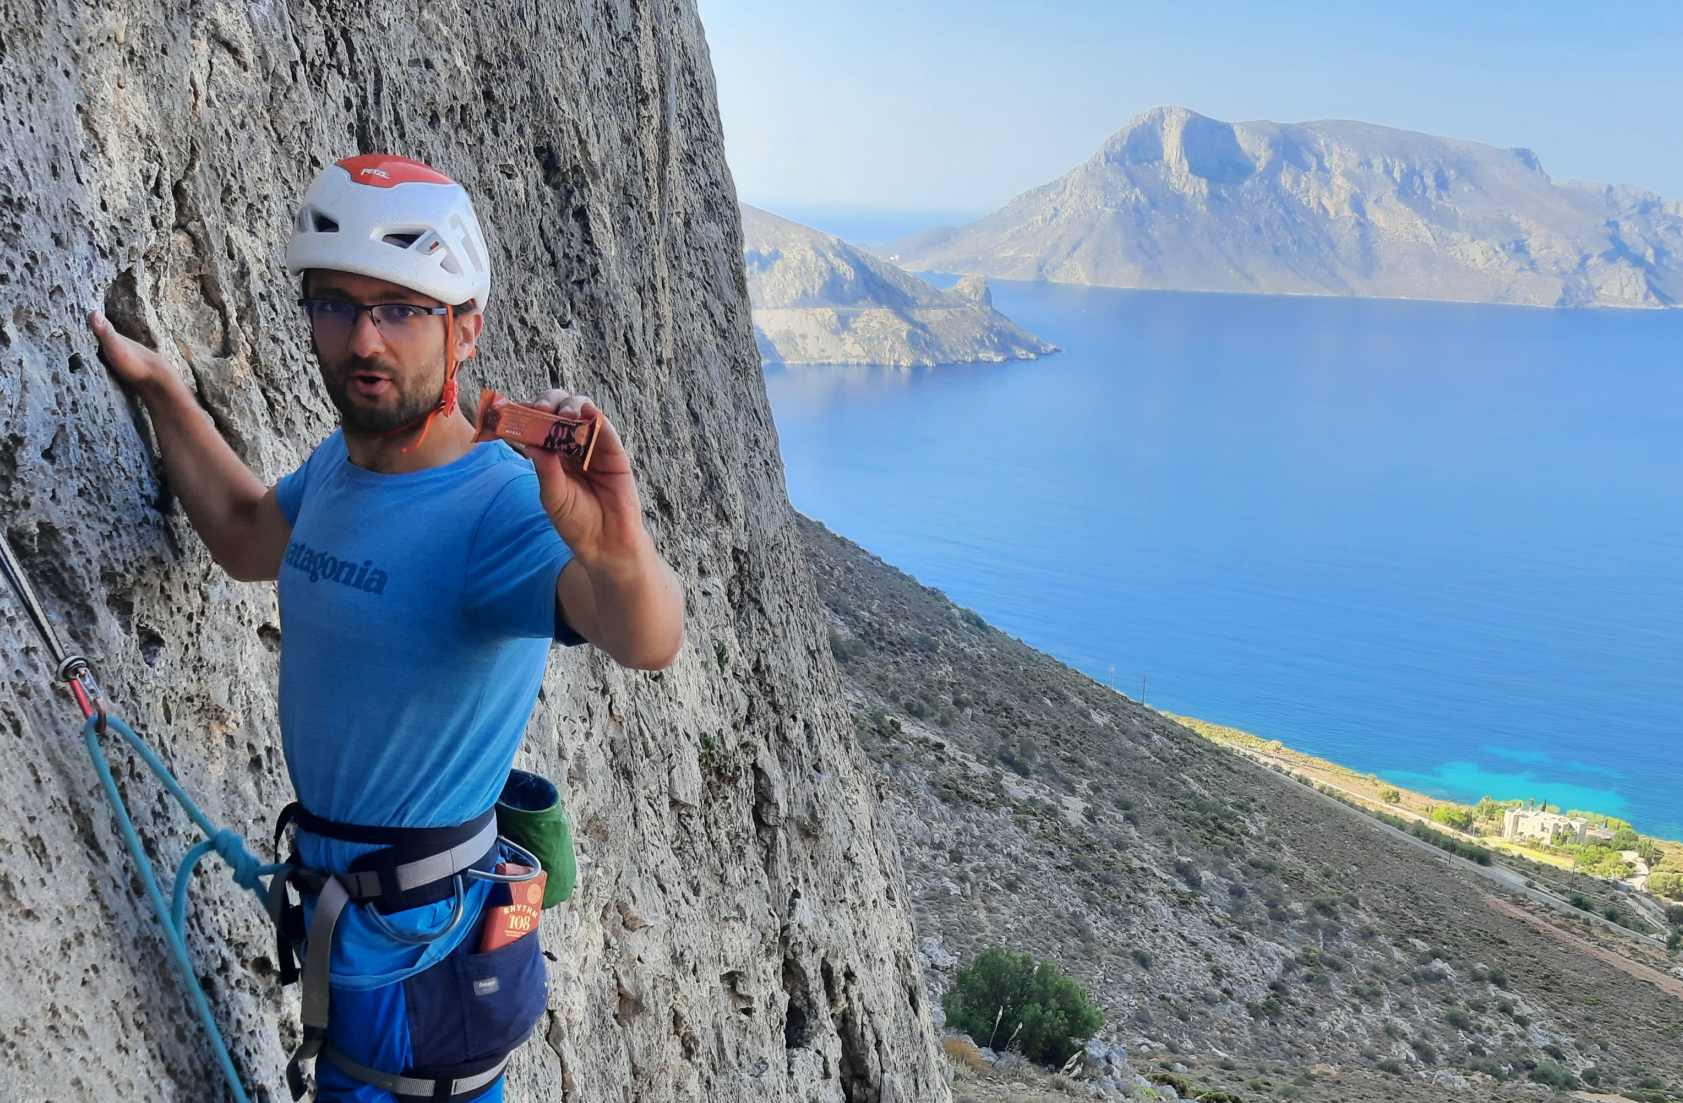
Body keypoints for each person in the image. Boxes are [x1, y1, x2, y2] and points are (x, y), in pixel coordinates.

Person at [89, 154, 683, 1102]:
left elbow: (645, 637)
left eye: (402, 309)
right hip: (360, 926)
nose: (365, 338)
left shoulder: (498, 508)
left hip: (419, 949)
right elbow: (248, 536)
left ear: (465, 330)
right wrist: (162, 390)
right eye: (338, 304)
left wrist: (617, 549)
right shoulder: (340, 466)